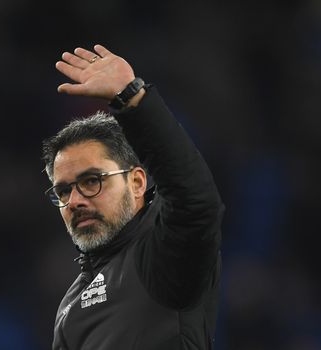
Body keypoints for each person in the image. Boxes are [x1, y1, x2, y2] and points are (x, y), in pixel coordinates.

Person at [42, 44, 225, 350]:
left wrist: (132, 99)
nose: (74, 201)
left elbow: (196, 204)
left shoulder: (162, 257)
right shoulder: (69, 306)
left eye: (91, 181)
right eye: (63, 190)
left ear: (138, 182)